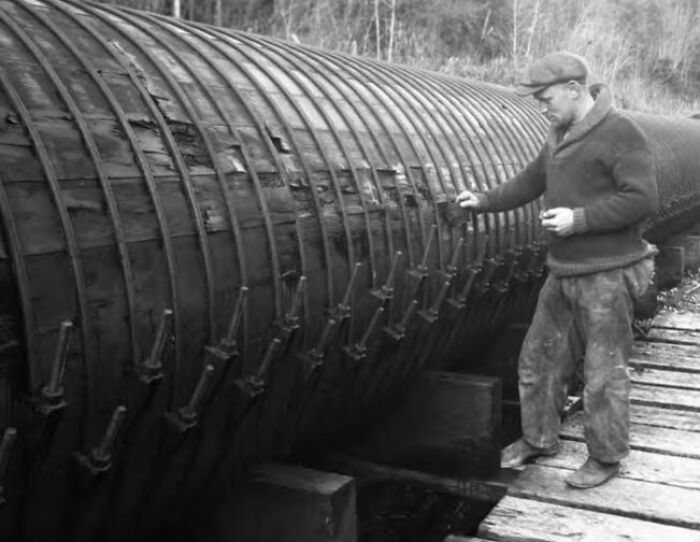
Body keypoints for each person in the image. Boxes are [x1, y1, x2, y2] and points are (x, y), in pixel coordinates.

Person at [456, 51, 658, 488]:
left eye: (545, 97)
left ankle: (605, 458)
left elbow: (642, 199)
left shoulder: (622, 133)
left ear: (573, 89)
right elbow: (532, 179)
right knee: (539, 358)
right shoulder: (559, 132)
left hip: (608, 272)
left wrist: (578, 219)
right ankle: (539, 438)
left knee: (603, 371)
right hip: (564, 269)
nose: (541, 106)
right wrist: (485, 201)